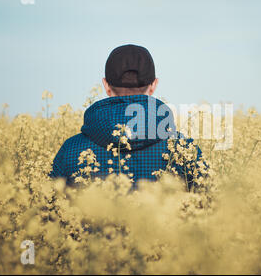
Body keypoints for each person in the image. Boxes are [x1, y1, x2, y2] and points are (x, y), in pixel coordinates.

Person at [48, 44, 207, 190]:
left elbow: (47, 212)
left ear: (106, 85)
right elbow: (207, 207)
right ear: (153, 85)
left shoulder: (71, 150)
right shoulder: (184, 150)